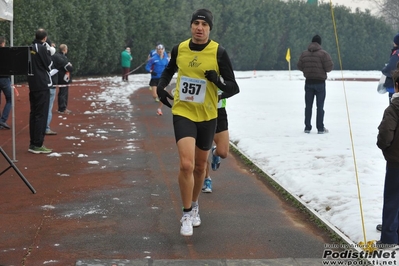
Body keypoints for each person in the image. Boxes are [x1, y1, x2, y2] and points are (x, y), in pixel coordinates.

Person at [156, 8, 239, 236]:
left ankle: (194, 206)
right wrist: (162, 89)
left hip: (208, 115)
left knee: (201, 167)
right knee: (186, 164)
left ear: (209, 28)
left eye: (204, 24)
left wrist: (217, 81)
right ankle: (185, 212)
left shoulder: (218, 52)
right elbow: (169, 69)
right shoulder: (180, 48)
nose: (199, 28)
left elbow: (234, 87)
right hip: (183, 111)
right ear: (191, 26)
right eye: (196, 23)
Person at [376, 68, 399, 250]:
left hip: (396, 162)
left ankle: (389, 239)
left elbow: (385, 135)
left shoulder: (393, 109)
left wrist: (384, 147)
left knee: (392, 199)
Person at [297, 34, 333, 134]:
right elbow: (329, 68)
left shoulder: (304, 54)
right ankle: (320, 128)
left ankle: (307, 127)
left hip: (308, 82)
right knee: (320, 106)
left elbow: (299, 66)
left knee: (308, 106)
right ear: (319, 43)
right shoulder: (324, 54)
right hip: (320, 83)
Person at [202, 91, 236, 193]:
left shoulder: (223, 74)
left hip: (219, 110)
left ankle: (215, 152)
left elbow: (233, 87)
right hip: (200, 111)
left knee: (223, 153)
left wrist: (219, 95)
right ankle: (206, 179)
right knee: (202, 154)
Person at [27, 28, 53, 154]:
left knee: (34, 114)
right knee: (41, 114)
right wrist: (49, 52)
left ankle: (33, 143)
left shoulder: (30, 47)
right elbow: (49, 65)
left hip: (33, 83)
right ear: (45, 38)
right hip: (42, 84)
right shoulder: (41, 48)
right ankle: (37, 144)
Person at [145, 44, 169, 115]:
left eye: (161, 50)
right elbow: (147, 67)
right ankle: (157, 96)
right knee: (155, 96)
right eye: (158, 50)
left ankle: (159, 109)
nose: (160, 51)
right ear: (157, 51)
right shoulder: (153, 58)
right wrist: (151, 71)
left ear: (163, 50)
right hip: (155, 79)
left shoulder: (166, 59)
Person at [46, 42, 61, 135]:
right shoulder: (54, 58)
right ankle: (46, 128)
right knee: (48, 108)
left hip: (43, 85)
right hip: (51, 85)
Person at [382, 33, 399, 103]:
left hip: (395, 86)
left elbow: (391, 68)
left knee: (393, 110)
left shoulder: (396, 53)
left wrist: (384, 69)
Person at [57, 44, 73, 114]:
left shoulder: (57, 56)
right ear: (64, 50)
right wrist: (70, 67)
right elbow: (67, 67)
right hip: (63, 77)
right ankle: (62, 108)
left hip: (60, 77)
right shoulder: (63, 57)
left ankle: (61, 108)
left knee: (61, 92)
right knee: (63, 93)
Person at [0, 36, 12, 130]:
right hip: (4, 78)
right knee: (10, 99)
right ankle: (3, 120)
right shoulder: (7, 53)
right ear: (3, 43)